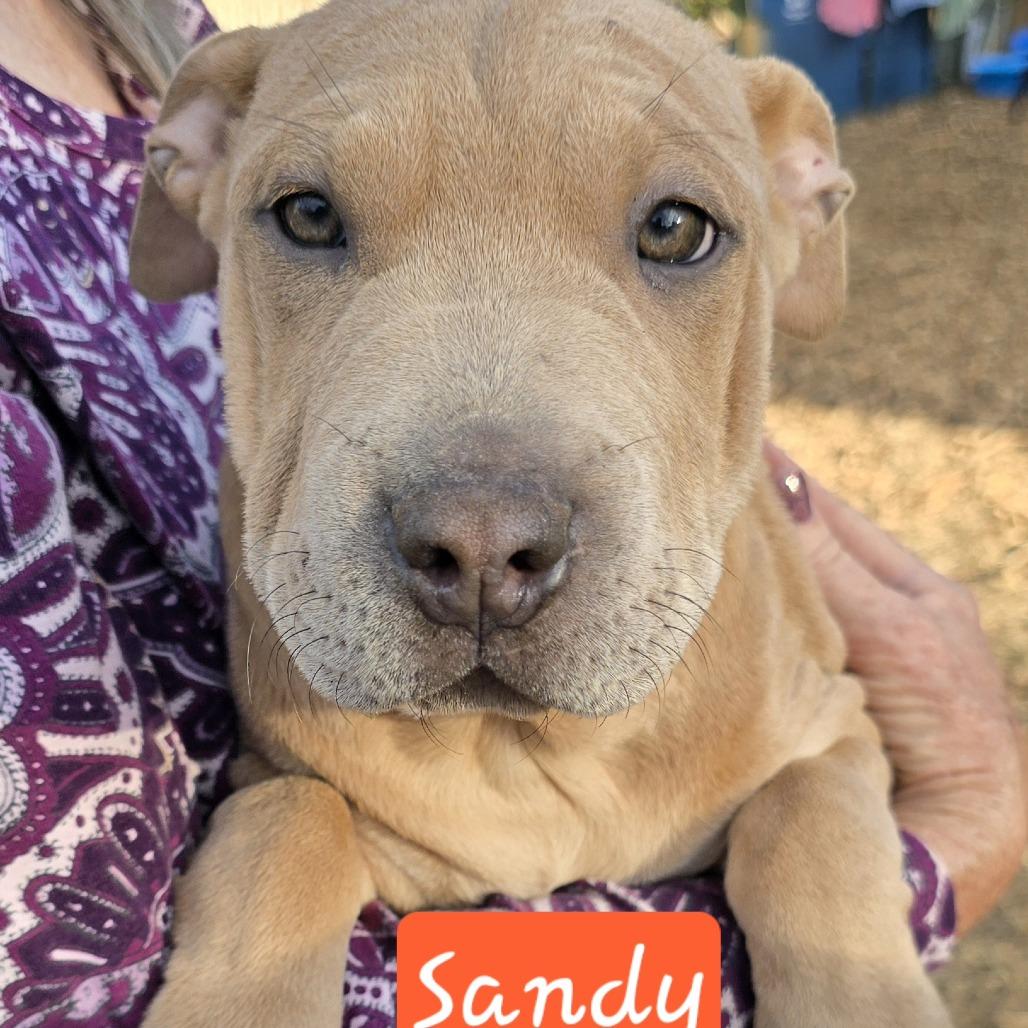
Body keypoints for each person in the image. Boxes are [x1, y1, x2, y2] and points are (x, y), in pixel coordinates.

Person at [0, 1, 1023, 1025]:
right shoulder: (250, 94)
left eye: (673, 229)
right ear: (197, 167)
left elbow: (819, 738)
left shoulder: (148, 35)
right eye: (312, 217)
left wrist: (834, 924)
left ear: (798, 195)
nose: (481, 536)